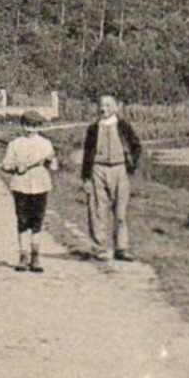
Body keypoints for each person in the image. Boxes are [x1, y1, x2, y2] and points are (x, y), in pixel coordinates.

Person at [80, 95, 142, 261]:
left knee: (120, 212)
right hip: (98, 170)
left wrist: (131, 165)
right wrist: (86, 177)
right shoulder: (93, 128)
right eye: (101, 106)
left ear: (115, 108)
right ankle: (99, 248)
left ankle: (121, 248)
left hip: (119, 170)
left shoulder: (123, 126)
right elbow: (87, 153)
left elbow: (136, 146)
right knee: (98, 210)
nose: (104, 109)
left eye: (108, 106)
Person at [0, 110, 56, 272]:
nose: (29, 129)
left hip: (41, 185)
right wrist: (16, 167)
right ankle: (23, 256)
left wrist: (52, 160)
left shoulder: (45, 144)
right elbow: (5, 165)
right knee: (23, 220)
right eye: (26, 125)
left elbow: (53, 166)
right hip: (21, 185)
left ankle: (35, 256)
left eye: (33, 126)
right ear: (22, 126)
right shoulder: (15, 144)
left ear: (39, 126)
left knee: (37, 221)